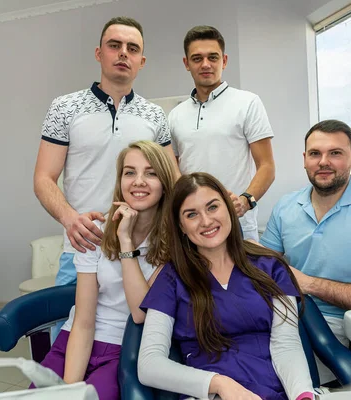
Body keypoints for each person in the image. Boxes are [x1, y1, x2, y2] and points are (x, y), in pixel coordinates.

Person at [138, 172, 317, 400]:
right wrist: (219, 384)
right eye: (192, 214)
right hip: (209, 394)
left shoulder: (271, 267)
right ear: (181, 226)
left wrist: (303, 395)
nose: (206, 221)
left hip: (274, 390)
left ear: (229, 208)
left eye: (212, 207)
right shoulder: (171, 278)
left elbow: (287, 346)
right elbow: (149, 364)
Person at [33, 16, 179, 294]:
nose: (124, 52)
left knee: (138, 331)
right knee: (70, 331)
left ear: (142, 61)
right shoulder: (64, 107)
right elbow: (43, 178)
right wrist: (69, 219)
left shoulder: (155, 115)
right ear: (99, 54)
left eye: (132, 48)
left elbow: (172, 179)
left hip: (141, 249)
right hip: (83, 247)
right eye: (115, 45)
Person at [260, 119, 351, 382]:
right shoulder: (286, 207)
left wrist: (309, 284)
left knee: (274, 379)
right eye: (315, 154)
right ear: (304, 159)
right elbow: (264, 266)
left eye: (335, 153)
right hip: (287, 313)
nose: (323, 162)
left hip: (347, 327)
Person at [32, 141, 177, 399]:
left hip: (125, 348)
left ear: (165, 183)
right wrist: (70, 389)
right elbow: (84, 322)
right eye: (129, 172)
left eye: (151, 173)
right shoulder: (96, 232)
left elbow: (140, 312)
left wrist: (126, 241)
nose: (138, 181)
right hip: (75, 341)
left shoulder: (173, 243)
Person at [168, 26, 276, 242]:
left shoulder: (247, 103)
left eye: (213, 57)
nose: (205, 64)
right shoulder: (175, 115)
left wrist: (246, 201)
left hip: (237, 224)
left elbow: (267, 166)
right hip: (193, 227)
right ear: (186, 63)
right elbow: (173, 173)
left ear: (224, 61)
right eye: (197, 58)